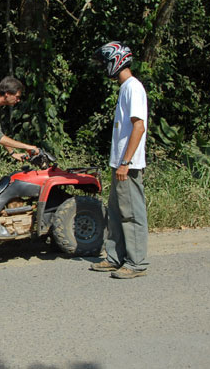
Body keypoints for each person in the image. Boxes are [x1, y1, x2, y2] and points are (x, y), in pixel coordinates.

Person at [89, 42, 149, 279]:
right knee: (115, 213)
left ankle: (136, 264)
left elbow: (139, 126)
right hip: (119, 164)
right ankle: (115, 258)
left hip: (128, 166)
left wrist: (126, 162)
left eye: (105, 63)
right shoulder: (125, 88)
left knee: (131, 214)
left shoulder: (134, 87)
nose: (104, 68)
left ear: (117, 60)